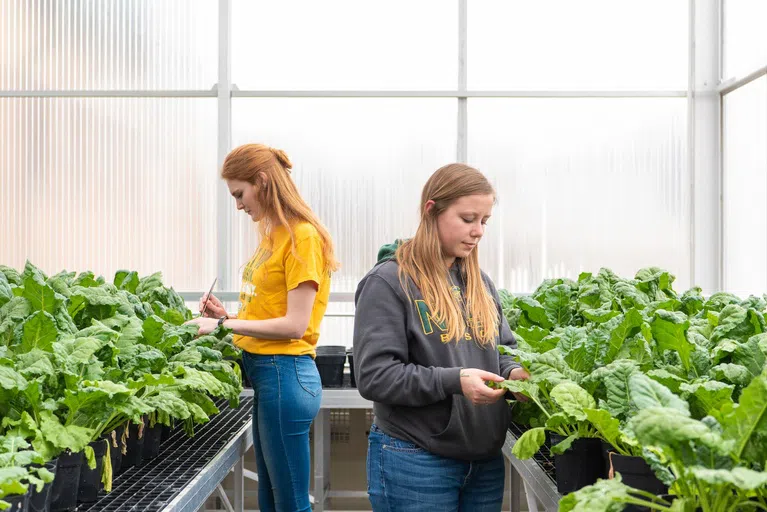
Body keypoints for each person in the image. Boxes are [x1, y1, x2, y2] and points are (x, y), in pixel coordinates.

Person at [353, 163, 529, 511]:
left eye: (484, 221)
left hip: (484, 462)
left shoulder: (479, 282)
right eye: (467, 219)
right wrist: (455, 381)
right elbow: (374, 376)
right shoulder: (390, 281)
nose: (478, 231)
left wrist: (513, 373)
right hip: (415, 459)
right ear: (432, 210)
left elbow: (502, 348)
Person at [187, 143, 339, 512]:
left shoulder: (302, 236)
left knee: (290, 504)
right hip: (269, 375)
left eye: (240, 193)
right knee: (271, 500)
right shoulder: (273, 234)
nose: (238, 205)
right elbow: (270, 308)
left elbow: (295, 324)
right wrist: (229, 315)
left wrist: (222, 325)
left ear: (263, 181)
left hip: (285, 374)